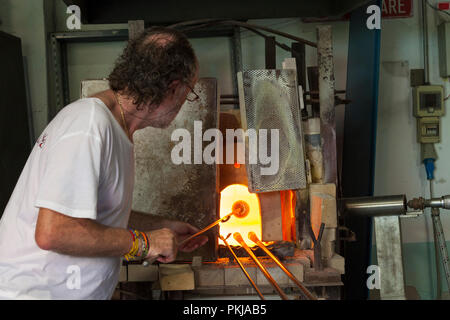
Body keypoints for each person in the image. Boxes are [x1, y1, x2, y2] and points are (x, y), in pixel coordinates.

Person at [0, 27, 208, 299]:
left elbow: (91, 212)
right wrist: (145, 244)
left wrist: (159, 225)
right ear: (173, 88)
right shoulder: (89, 125)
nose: (184, 102)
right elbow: (53, 232)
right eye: (189, 92)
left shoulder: (115, 128)